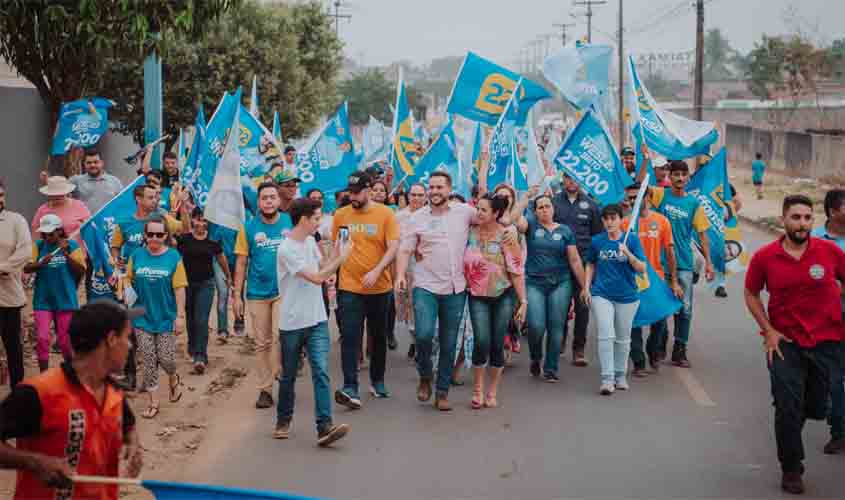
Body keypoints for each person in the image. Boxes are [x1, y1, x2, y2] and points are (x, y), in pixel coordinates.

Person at [743, 194, 845, 494]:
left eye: (807, 218)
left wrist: (837, 302)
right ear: (783, 219)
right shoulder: (764, 257)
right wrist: (768, 330)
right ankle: (791, 468)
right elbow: (751, 293)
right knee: (787, 404)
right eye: (796, 217)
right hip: (784, 343)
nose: (802, 224)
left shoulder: (828, 252)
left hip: (827, 342)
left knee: (815, 406)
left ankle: (797, 422)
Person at [0, 300, 143, 500]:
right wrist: (34, 461)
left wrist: (133, 442)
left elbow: (127, 423)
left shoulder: (114, 393)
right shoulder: (38, 393)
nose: (130, 347)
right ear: (111, 339)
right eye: (127, 338)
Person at [273, 198, 353, 446]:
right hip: (292, 321)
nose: (320, 222)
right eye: (316, 218)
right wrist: (342, 260)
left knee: (320, 371)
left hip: (317, 318)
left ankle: (324, 427)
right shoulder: (286, 249)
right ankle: (283, 420)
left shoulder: (309, 241)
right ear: (304, 219)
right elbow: (317, 278)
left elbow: (323, 268)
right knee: (289, 376)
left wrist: (337, 253)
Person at [396, 173, 475, 411]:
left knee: (449, 342)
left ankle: (442, 392)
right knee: (423, 334)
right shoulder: (417, 218)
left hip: (455, 288)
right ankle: (425, 376)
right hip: (425, 286)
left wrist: (512, 227)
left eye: (439, 187)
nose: (434, 191)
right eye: (431, 187)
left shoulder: (464, 212)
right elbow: (405, 250)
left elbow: (491, 217)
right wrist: (400, 275)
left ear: (450, 188)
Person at [637, 159, 714, 367]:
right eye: (676, 175)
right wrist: (645, 160)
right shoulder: (661, 195)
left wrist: (708, 263)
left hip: (683, 265)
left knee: (685, 309)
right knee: (661, 308)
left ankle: (680, 349)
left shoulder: (694, 204)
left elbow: (702, 235)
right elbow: (639, 183)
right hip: (658, 265)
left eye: (683, 175)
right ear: (669, 177)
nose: (680, 178)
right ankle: (658, 344)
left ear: (688, 178)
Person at [332, 171, 400, 408]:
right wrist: (330, 273)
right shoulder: (341, 215)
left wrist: (378, 270)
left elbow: (393, 247)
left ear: (369, 190)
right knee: (350, 336)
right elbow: (338, 246)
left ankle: (377, 380)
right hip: (349, 286)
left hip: (379, 287)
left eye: (357, 192)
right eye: (350, 192)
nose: (353, 196)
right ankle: (350, 386)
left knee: (378, 336)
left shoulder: (385, 214)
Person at [463, 193, 527, 409]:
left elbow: (516, 270)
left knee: (497, 342)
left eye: (483, 210)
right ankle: (478, 389)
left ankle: (492, 391)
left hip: (503, 295)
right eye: (477, 209)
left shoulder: (507, 236)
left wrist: (524, 301)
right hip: (476, 295)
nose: (478, 213)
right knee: (481, 340)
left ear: (496, 213)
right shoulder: (468, 233)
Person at [234, 182, 292, 409]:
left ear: (278, 201)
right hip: (257, 293)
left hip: (283, 290)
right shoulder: (248, 228)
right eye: (264, 198)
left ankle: (279, 369)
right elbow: (240, 262)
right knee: (261, 343)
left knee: (280, 335)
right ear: (258, 202)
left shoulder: (289, 222)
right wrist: (236, 296)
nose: (268, 201)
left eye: (272, 197)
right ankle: (265, 390)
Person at [582, 203, 647, 395]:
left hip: (627, 296)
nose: (609, 222)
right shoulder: (597, 241)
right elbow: (590, 264)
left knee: (622, 339)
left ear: (620, 220)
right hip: (602, 294)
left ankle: (620, 375)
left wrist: (627, 254)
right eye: (606, 219)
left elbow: (642, 268)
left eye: (613, 218)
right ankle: (607, 378)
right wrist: (586, 287)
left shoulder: (632, 240)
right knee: (605, 333)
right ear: (602, 221)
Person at [520, 194, 586, 382]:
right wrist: (525, 199)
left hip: (560, 283)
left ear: (553, 209)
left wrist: (584, 287)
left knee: (556, 327)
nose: (544, 210)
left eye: (547, 206)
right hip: (534, 283)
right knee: (536, 326)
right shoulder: (530, 226)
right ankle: (535, 357)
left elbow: (574, 260)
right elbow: (515, 220)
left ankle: (551, 368)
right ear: (535, 211)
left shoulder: (565, 231)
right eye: (540, 207)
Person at [126, 218, 188, 419]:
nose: (154, 238)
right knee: (149, 358)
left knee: (166, 358)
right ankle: (153, 402)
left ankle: (173, 377)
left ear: (165, 236)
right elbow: (128, 281)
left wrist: (180, 316)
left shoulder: (173, 257)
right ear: (144, 235)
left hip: (165, 317)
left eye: (159, 235)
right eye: (150, 234)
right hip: (142, 318)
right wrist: (122, 285)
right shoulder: (136, 256)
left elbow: (179, 289)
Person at [621, 183, 682, 376]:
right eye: (629, 198)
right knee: (634, 322)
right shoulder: (625, 224)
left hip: (657, 280)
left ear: (646, 197)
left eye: (636, 196)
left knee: (660, 321)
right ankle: (639, 362)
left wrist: (673, 281)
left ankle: (653, 351)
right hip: (632, 280)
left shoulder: (662, 221)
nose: (633, 201)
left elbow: (670, 252)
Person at [24, 214, 87, 372]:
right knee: (42, 338)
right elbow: (27, 268)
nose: (47, 237)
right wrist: (40, 264)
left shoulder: (72, 245)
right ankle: (44, 376)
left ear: (59, 231)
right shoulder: (38, 246)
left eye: (50, 233)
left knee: (65, 342)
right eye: (44, 234)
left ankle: (71, 372)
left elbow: (81, 271)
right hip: (43, 300)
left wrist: (66, 255)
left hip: (65, 299)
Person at [552, 174, 602, 366]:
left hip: (583, 264)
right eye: (568, 178)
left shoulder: (591, 205)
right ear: (563, 179)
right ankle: (559, 341)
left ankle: (579, 348)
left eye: (575, 178)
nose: (572, 182)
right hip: (558, 263)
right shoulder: (553, 202)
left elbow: (597, 237)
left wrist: (595, 265)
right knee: (560, 306)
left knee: (582, 305)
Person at [810, 188, 845, 455]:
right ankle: (839, 431)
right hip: (826, 320)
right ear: (833, 211)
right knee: (834, 378)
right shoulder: (812, 240)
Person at [177, 208, 231, 374]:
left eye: (204, 221)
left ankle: (201, 356)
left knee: (201, 319)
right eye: (198, 220)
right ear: (193, 221)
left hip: (206, 285)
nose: (201, 224)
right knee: (191, 319)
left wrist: (228, 277)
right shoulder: (184, 239)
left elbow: (222, 260)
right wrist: (182, 206)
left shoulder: (213, 243)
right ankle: (192, 347)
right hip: (187, 285)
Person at [0, 180, 31, 388]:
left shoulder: (16, 221)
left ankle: (18, 393)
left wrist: (2, 267)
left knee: (13, 349)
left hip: (9, 297)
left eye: (1, 195)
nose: (0, 199)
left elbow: (24, 252)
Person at [395, 183, 427, 361]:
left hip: (426, 269)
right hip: (405, 268)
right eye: (413, 195)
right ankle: (415, 339)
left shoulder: (431, 215)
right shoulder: (399, 217)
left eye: (420, 195)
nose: (416, 198)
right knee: (407, 308)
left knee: (421, 306)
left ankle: (422, 344)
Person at [32, 176, 91, 245]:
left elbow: (90, 227)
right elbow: (35, 235)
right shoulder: (42, 210)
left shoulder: (79, 206)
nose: (58, 196)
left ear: (67, 192)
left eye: (61, 193)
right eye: (54, 194)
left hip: (77, 251)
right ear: (48, 194)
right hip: (51, 253)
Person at [65, 148, 124, 214]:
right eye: (89, 163)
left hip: (109, 222)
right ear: (84, 164)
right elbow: (59, 192)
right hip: (86, 223)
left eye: (96, 162)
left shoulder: (114, 181)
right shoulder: (76, 181)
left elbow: (123, 202)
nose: (92, 165)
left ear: (102, 163)